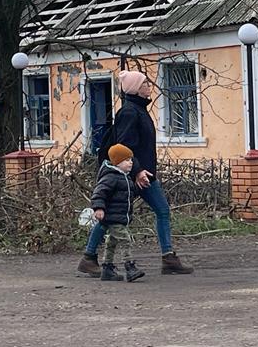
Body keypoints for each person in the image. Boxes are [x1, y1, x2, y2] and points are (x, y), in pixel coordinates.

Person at [77, 69, 194, 276]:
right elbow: (124, 145)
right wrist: (138, 171)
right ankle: (88, 257)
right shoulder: (129, 112)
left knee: (162, 210)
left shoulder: (139, 110)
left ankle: (168, 258)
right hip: (130, 175)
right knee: (112, 217)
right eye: (144, 84)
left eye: (147, 83)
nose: (149, 86)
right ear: (134, 89)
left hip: (144, 175)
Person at [89, 144, 144, 282]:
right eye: (127, 160)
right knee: (125, 239)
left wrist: (137, 187)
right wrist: (99, 208)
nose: (131, 162)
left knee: (111, 242)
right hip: (113, 217)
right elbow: (99, 193)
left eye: (131, 159)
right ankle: (130, 267)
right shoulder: (111, 177)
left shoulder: (124, 177)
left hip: (119, 217)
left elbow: (127, 194)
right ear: (117, 162)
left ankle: (107, 268)